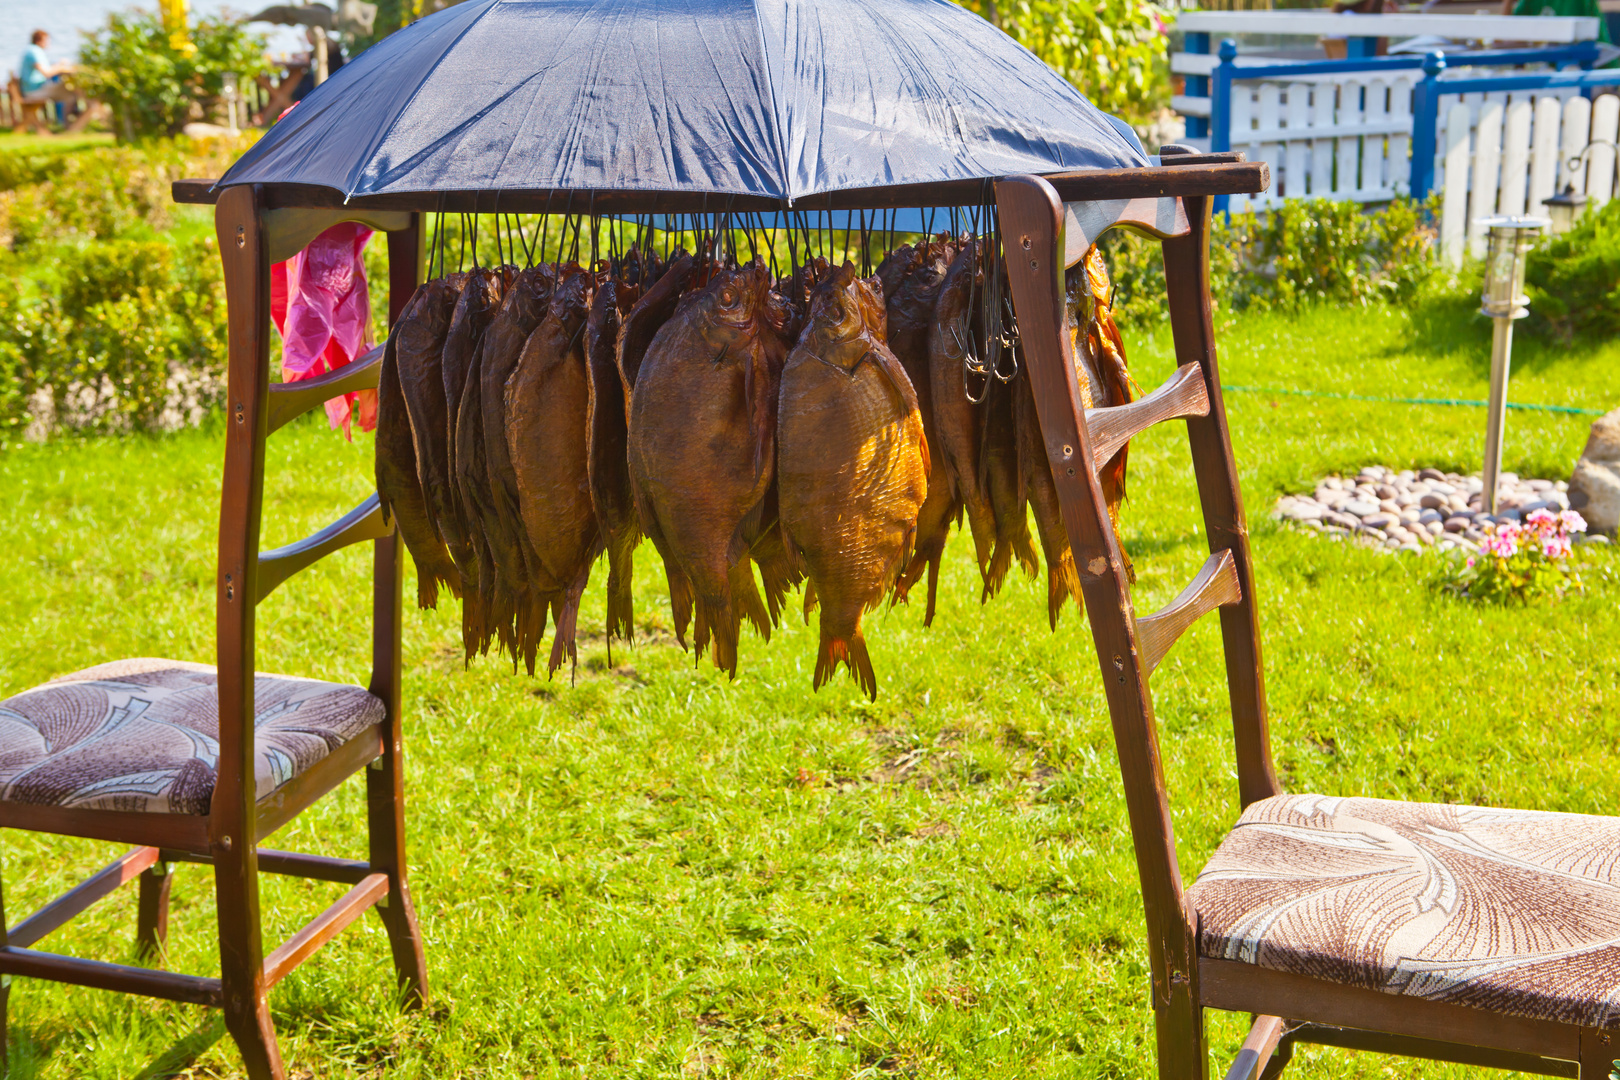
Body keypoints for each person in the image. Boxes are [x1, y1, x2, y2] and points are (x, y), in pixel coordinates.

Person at [1500, 0, 1612, 45]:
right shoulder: (1528, 2)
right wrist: (1507, 3)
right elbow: (1505, 35)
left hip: (1585, 73)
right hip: (1543, 73)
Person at [19, 30, 77, 109]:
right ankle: (68, 120)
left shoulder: (32, 50)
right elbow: (46, 73)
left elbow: (47, 69)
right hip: (34, 91)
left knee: (68, 93)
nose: (48, 43)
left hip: (33, 88)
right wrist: (61, 67)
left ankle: (66, 120)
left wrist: (59, 65)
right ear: (40, 40)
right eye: (47, 40)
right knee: (68, 91)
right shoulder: (34, 51)